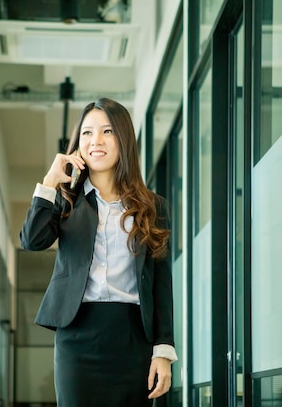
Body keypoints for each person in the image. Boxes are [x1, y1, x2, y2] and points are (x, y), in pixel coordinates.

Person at [20, 97, 176, 407]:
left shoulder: (152, 207)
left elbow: (161, 282)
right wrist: (51, 180)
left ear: (124, 139)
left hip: (132, 337)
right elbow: (32, 240)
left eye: (107, 131)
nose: (96, 141)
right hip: (77, 336)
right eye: (87, 133)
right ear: (77, 144)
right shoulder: (65, 201)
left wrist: (163, 351)